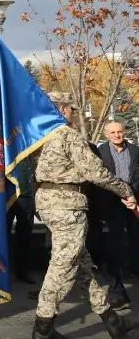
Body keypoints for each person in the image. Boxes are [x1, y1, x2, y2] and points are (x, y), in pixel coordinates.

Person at [31, 93, 139, 339]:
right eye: (71, 109)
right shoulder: (66, 134)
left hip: (50, 203)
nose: (74, 113)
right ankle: (42, 329)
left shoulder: (38, 135)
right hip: (67, 205)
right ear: (62, 109)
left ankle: (112, 321)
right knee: (61, 267)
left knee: (82, 267)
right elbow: (96, 171)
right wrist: (125, 190)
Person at [97, 121, 139, 310]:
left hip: (133, 202)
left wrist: (131, 195)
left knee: (136, 237)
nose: (117, 135)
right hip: (112, 203)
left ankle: (135, 267)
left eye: (119, 132)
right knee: (115, 240)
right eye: (113, 132)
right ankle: (117, 274)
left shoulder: (135, 151)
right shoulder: (101, 152)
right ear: (107, 134)